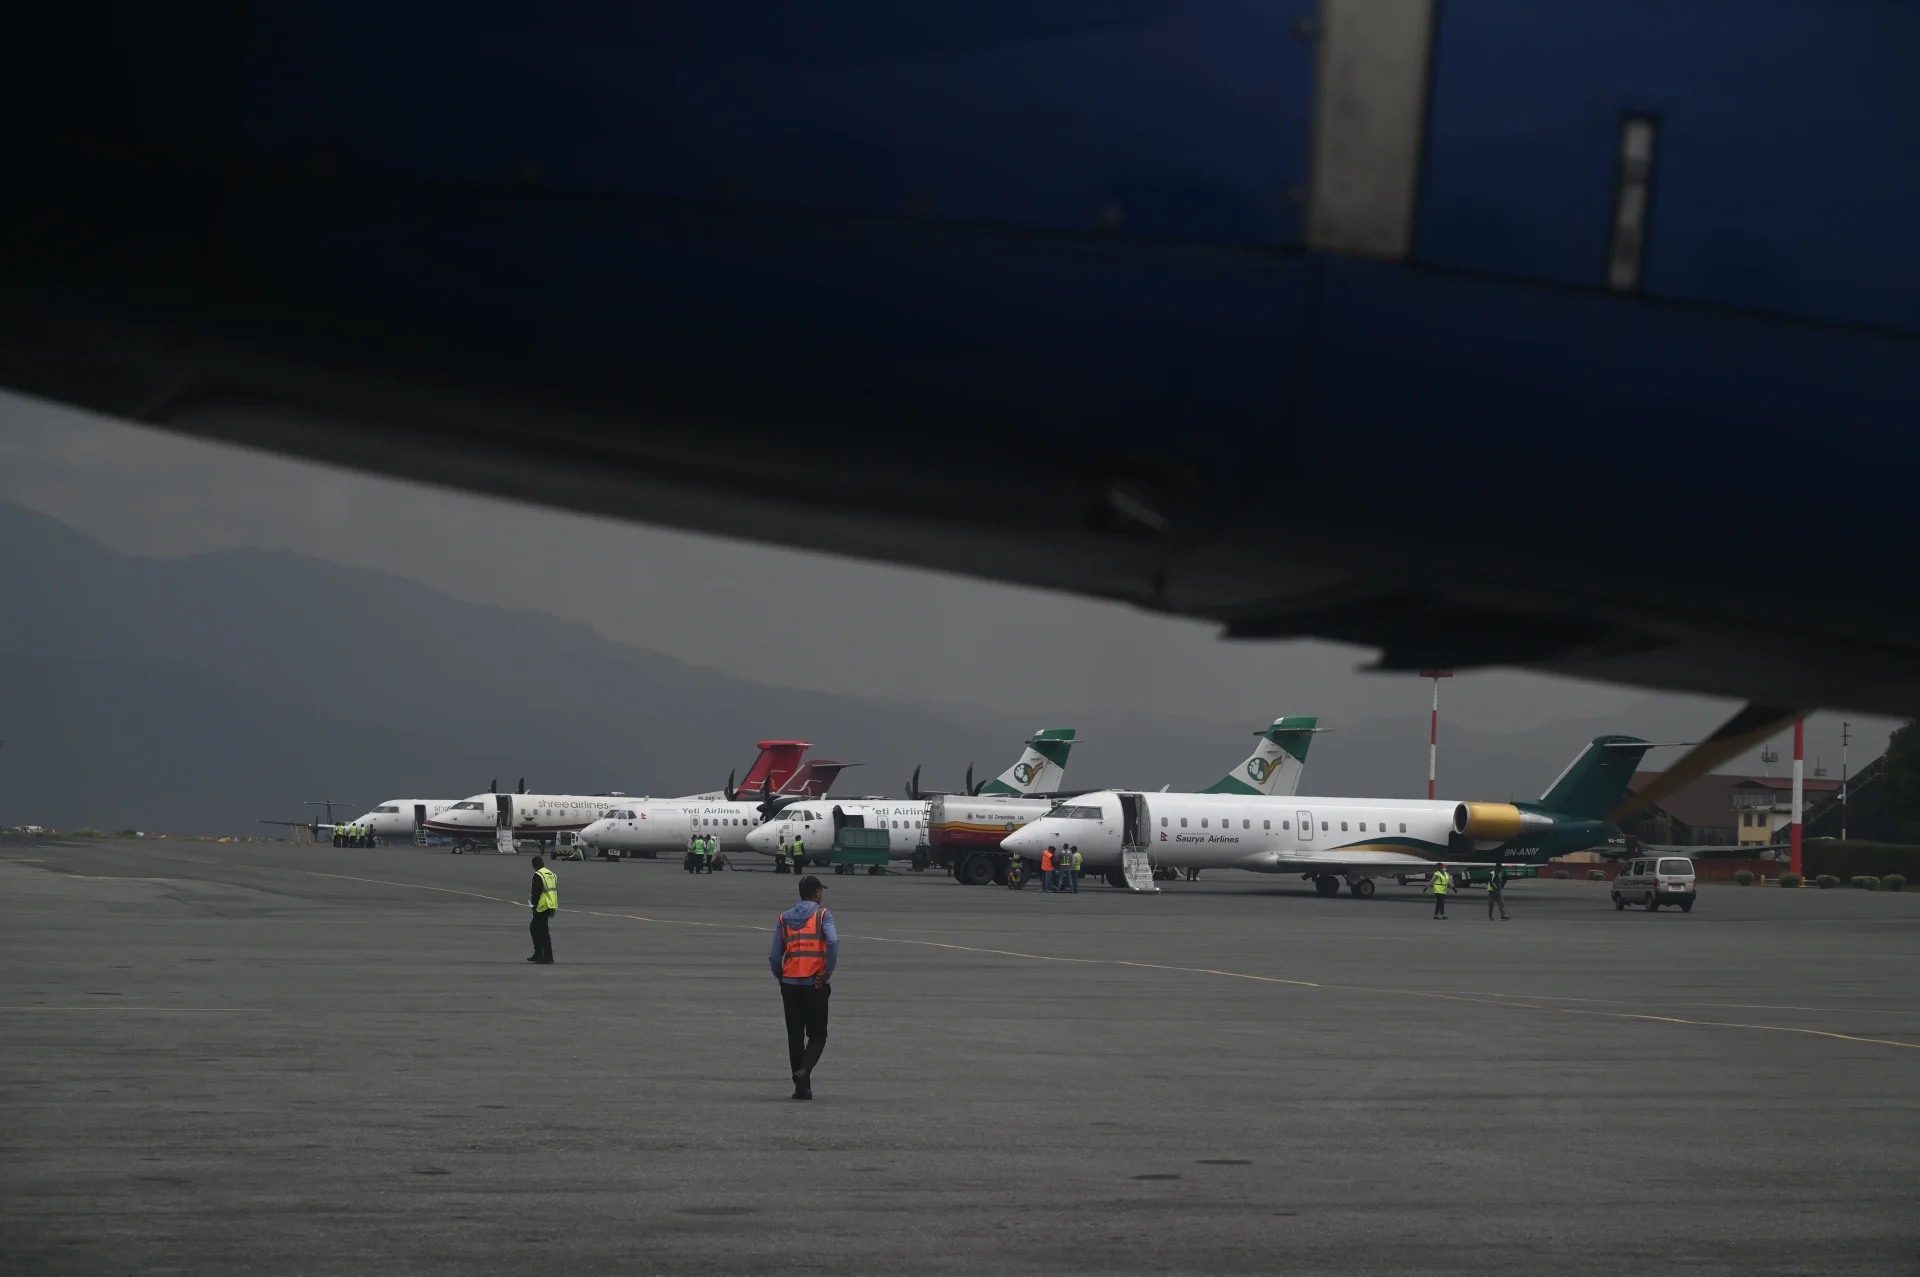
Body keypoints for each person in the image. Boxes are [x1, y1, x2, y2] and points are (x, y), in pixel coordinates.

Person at [770, 876, 837, 1100]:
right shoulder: (822, 915)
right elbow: (833, 942)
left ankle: (802, 1088)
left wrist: (781, 975)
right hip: (814, 983)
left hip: (789, 984)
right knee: (818, 1036)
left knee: (795, 1037)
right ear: (817, 893)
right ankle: (804, 1071)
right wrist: (827, 971)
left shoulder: (784, 918)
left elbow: (774, 956)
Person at [528, 855, 558, 963]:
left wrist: (533, 906)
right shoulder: (552, 874)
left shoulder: (538, 875)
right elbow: (555, 892)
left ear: (534, 865)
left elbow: (536, 892)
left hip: (542, 906)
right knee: (535, 928)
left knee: (541, 931)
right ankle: (539, 953)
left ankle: (547, 957)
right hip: (550, 905)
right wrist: (553, 908)